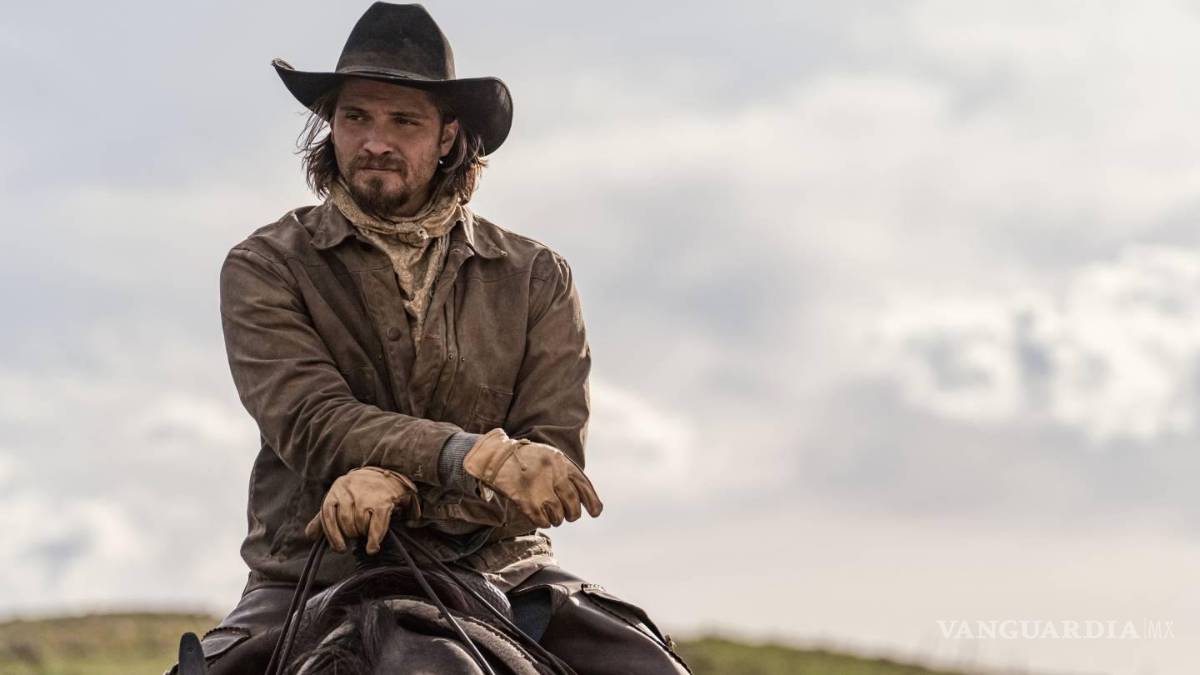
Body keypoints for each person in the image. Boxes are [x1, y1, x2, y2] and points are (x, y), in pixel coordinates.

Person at [178, 4, 691, 673]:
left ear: (448, 136)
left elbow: (549, 464)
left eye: (404, 121)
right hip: (311, 570)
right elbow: (312, 420)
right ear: (331, 124)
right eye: (356, 117)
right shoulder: (267, 265)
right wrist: (475, 457)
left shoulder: (536, 276)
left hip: (502, 570)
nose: (375, 141)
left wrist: (406, 487)